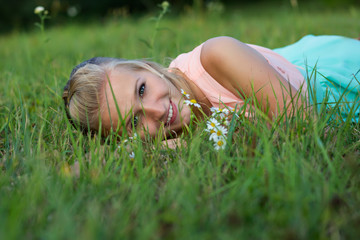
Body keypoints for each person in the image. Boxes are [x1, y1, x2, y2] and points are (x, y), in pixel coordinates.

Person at [62, 35, 360, 141]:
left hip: (336, 80)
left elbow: (308, 132)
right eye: (135, 121)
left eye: (142, 90)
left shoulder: (218, 54)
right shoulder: (169, 134)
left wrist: (194, 144)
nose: (157, 111)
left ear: (147, 67)